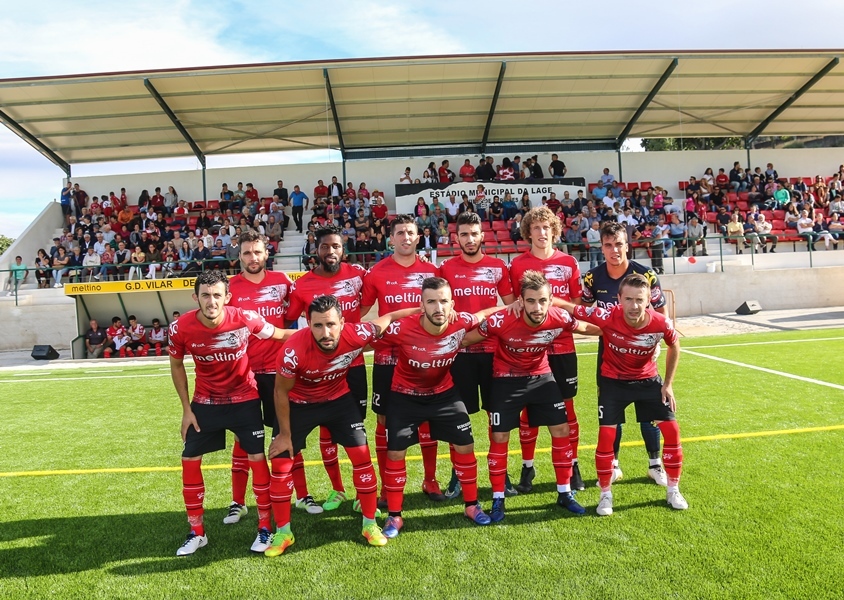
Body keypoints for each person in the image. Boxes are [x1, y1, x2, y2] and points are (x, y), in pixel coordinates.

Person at [264, 296, 418, 555]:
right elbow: (280, 392)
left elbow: (390, 316)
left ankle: (369, 523)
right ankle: (283, 532)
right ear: (308, 325)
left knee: (362, 456)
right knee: (280, 463)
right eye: (318, 326)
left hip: (338, 401)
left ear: (343, 323)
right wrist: (285, 435)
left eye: (331, 325)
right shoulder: (293, 350)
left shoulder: (358, 333)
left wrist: (421, 308)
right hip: (300, 403)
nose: (326, 333)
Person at [169, 269, 295, 556]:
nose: (211, 301)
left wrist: (314, 332)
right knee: (189, 459)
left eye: (216, 295)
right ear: (195, 298)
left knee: (257, 458)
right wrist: (186, 410)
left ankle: (264, 528)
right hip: (206, 402)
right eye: (205, 295)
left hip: (244, 400)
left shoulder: (244, 318)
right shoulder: (180, 327)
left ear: (227, 297)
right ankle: (196, 532)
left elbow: (278, 334)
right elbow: (177, 365)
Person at [462, 270, 601, 521]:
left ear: (550, 300)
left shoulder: (559, 316)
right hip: (506, 379)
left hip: (541, 377)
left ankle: (564, 492)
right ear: (520, 300)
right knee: (499, 435)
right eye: (531, 301)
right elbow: (465, 339)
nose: (537, 307)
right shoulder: (501, 320)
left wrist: (619, 329)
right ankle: (497, 498)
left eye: (543, 300)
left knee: (561, 429)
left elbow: (585, 327)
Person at [375, 277, 500, 538]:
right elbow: (369, 333)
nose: (438, 308)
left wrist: (515, 306)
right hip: (404, 396)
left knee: (465, 445)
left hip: (444, 395)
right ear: (422, 305)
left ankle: (471, 505)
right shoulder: (402, 329)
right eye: (431, 302)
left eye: (443, 301)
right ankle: (395, 517)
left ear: (452, 304)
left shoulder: (460, 322)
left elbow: (485, 314)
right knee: (395, 454)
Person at [560, 273, 687, 516]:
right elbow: (568, 307)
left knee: (672, 431)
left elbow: (675, 346)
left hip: (648, 381)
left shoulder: (660, 323)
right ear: (618, 299)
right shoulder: (606, 316)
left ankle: (673, 489)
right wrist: (536, 299)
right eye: (628, 299)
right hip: (613, 383)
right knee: (606, 436)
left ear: (649, 299)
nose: (634, 305)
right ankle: (605, 495)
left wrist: (668, 384)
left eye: (640, 299)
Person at [283, 225, 369, 512]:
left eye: (335, 246)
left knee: (356, 433)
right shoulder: (303, 284)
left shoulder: (358, 275)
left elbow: (368, 305)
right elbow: (287, 320)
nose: (330, 251)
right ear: (315, 250)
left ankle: (362, 494)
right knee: (326, 432)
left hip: (352, 365)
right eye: (324, 246)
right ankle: (337, 490)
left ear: (343, 248)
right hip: (317, 371)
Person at [360, 214, 441, 505]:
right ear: (390, 238)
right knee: (384, 421)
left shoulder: (433, 272)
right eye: (400, 233)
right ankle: (385, 486)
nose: (406, 237)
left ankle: (430, 480)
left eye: (411, 232)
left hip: (426, 358)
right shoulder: (376, 272)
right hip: (388, 358)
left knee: (427, 420)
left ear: (418, 237)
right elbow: (360, 314)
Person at [581, 220, 668, 486]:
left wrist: (655, 345)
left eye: (619, 244)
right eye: (608, 245)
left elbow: (661, 315)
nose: (614, 250)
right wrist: (607, 331)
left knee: (649, 409)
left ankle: (655, 465)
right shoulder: (592, 278)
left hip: (642, 356)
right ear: (602, 248)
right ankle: (613, 466)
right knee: (611, 412)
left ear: (627, 246)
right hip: (609, 356)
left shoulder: (646, 275)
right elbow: (583, 313)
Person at [439, 212, 517, 498]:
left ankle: (501, 474)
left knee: (498, 417)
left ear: (483, 235)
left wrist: (483, 315)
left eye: (474, 233)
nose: (469, 239)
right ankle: (458, 475)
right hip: (459, 353)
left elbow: (511, 307)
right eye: (464, 234)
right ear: (456, 238)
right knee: (457, 418)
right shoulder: (445, 268)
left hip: (494, 352)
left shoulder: (498, 267)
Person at [508, 206, 585, 491]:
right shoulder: (517, 265)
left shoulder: (568, 262)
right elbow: (514, 307)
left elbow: (578, 307)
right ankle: (527, 468)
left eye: (547, 227)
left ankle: (572, 464)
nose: (542, 233)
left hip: (563, 347)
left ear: (555, 230)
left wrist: (558, 306)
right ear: (528, 232)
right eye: (536, 228)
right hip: (529, 350)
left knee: (567, 409)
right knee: (529, 411)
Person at [223, 231, 297, 523]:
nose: (252, 258)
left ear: (267, 254)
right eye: (246, 253)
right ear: (239, 256)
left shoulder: (283, 283)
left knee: (288, 435)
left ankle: (300, 495)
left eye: (257, 252)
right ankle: (238, 502)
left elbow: (296, 315)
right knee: (245, 440)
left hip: (280, 373)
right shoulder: (229, 288)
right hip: (246, 374)